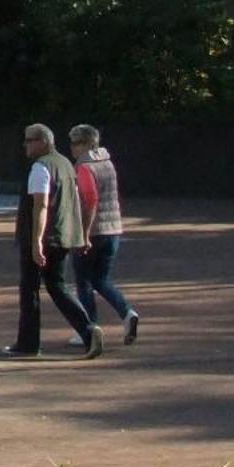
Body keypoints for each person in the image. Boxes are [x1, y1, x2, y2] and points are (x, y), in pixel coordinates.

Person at [3, 123, 102, 359]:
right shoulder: (66, 164)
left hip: (42, 238)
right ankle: (89, 330)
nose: (25, 145)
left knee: (29, 290)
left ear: (43, 142)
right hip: (62, 236)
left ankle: (28, 344)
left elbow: (41, 205)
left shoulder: (40, 167)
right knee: (57, 287)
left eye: (29, 140)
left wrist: (36, 241)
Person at [68, 124, 140, 346]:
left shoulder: (84, 167)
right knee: (101, 279)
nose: (71, 147)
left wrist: (84, 234)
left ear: (84, 144)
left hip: (93, 231)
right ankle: (127, 312)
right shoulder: (107, 163)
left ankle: (89, 329)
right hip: (113, 229)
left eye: (74, 142)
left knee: (83, 281)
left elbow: (90, 201)